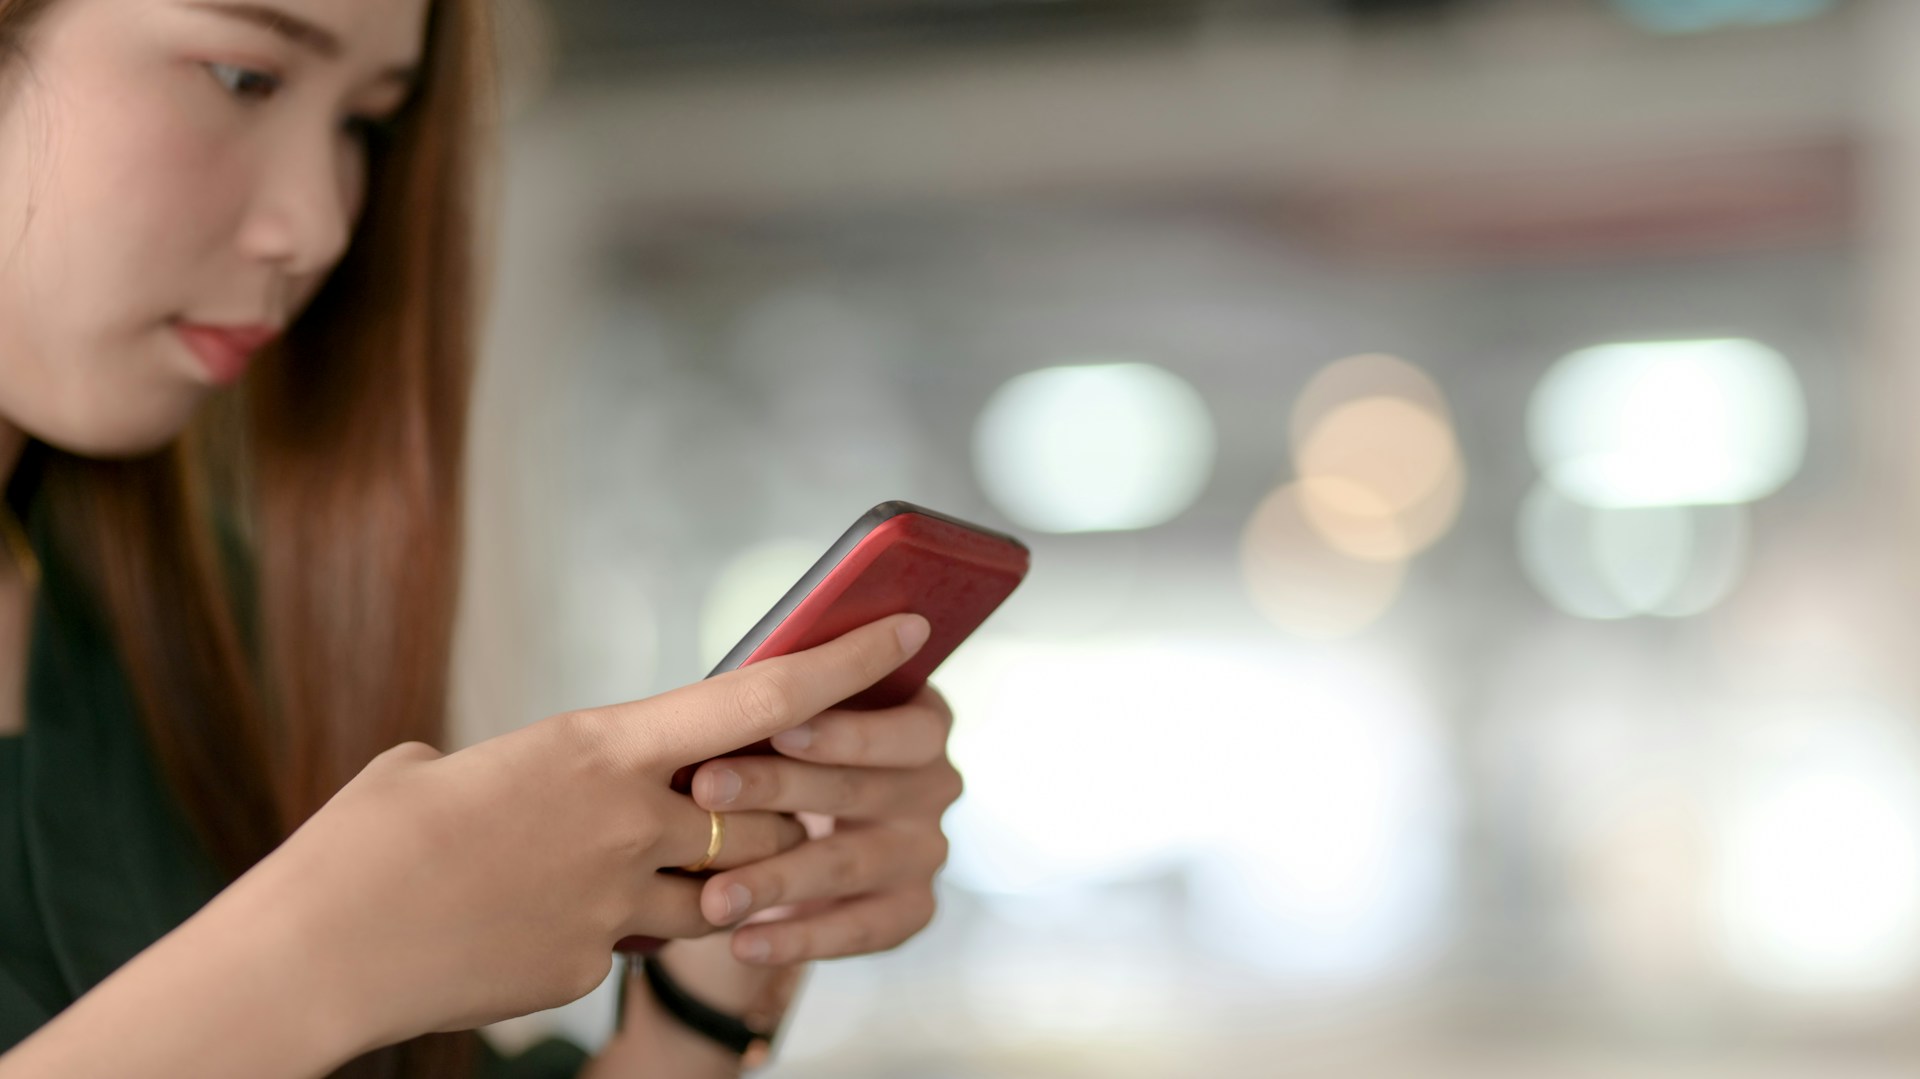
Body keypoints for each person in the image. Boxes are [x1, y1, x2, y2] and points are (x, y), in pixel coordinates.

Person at [0, 0, 965, 1076]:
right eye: (244, 78)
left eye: (366, 124)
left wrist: (716, 964)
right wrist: (318, 957)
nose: (320, 225)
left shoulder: (203, 619)